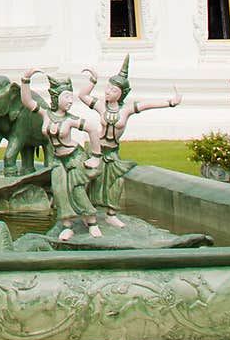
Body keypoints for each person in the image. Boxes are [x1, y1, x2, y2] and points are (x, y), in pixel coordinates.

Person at [76, 56, 181, 226]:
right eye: (108, 88)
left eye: (113, 90)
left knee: (117, 182)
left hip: (112, 153)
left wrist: (170, 102)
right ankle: (86, 213)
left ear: (121, 94)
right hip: (98, 151)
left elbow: (147, 104)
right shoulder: (101, 106)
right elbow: (82, 95)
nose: (108, 92)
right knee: (89, 180)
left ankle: (111, 214)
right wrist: (92, 81)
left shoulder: (126, 110)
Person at [20, 71, 102, 242]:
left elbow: (93, 129)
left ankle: (92, 222)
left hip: (74, 157)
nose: (70, 101)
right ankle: (67, 226)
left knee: (77, 190)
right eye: (67, 97)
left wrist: (96, 156)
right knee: (60, 191)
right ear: (57, 98)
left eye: (71, 97)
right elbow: (27, 101)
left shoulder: (71, 119)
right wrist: (25, 80)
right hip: (58, 159)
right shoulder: (45, 114)